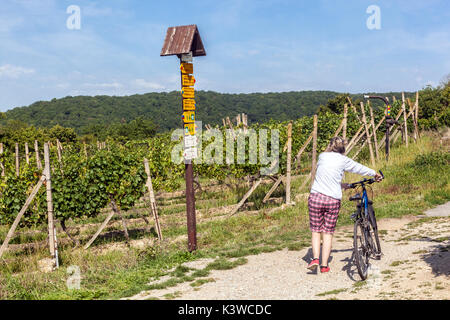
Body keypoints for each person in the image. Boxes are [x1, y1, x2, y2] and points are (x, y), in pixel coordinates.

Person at [306, 136, 382, 273]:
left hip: (316, 197)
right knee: (328, 233)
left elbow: (326, 175)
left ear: (330, 146)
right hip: (332, 200)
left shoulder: (322, 156)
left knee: (316, 231)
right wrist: (374, 173)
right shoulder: (343, 160)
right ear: (343, 148)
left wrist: (340, 184)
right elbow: (358, 168)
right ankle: (324, 266)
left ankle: (315, 259)